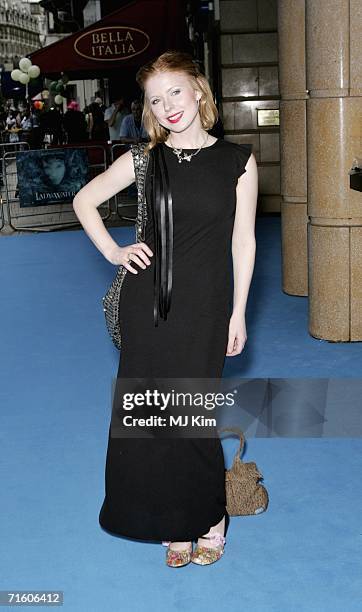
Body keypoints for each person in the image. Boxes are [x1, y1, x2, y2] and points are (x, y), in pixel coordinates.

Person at [72, 50, 258, 567]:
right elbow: (84, 201)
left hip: (206, 308)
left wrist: (238, 312)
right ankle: (172, 520)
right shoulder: (142, 160)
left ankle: (209, 516)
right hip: (146, 306)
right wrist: (113, 251)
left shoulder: (238, 160)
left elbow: (244, 242)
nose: (168, 105)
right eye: (156, 99)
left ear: (199, 90)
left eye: (175, 91)